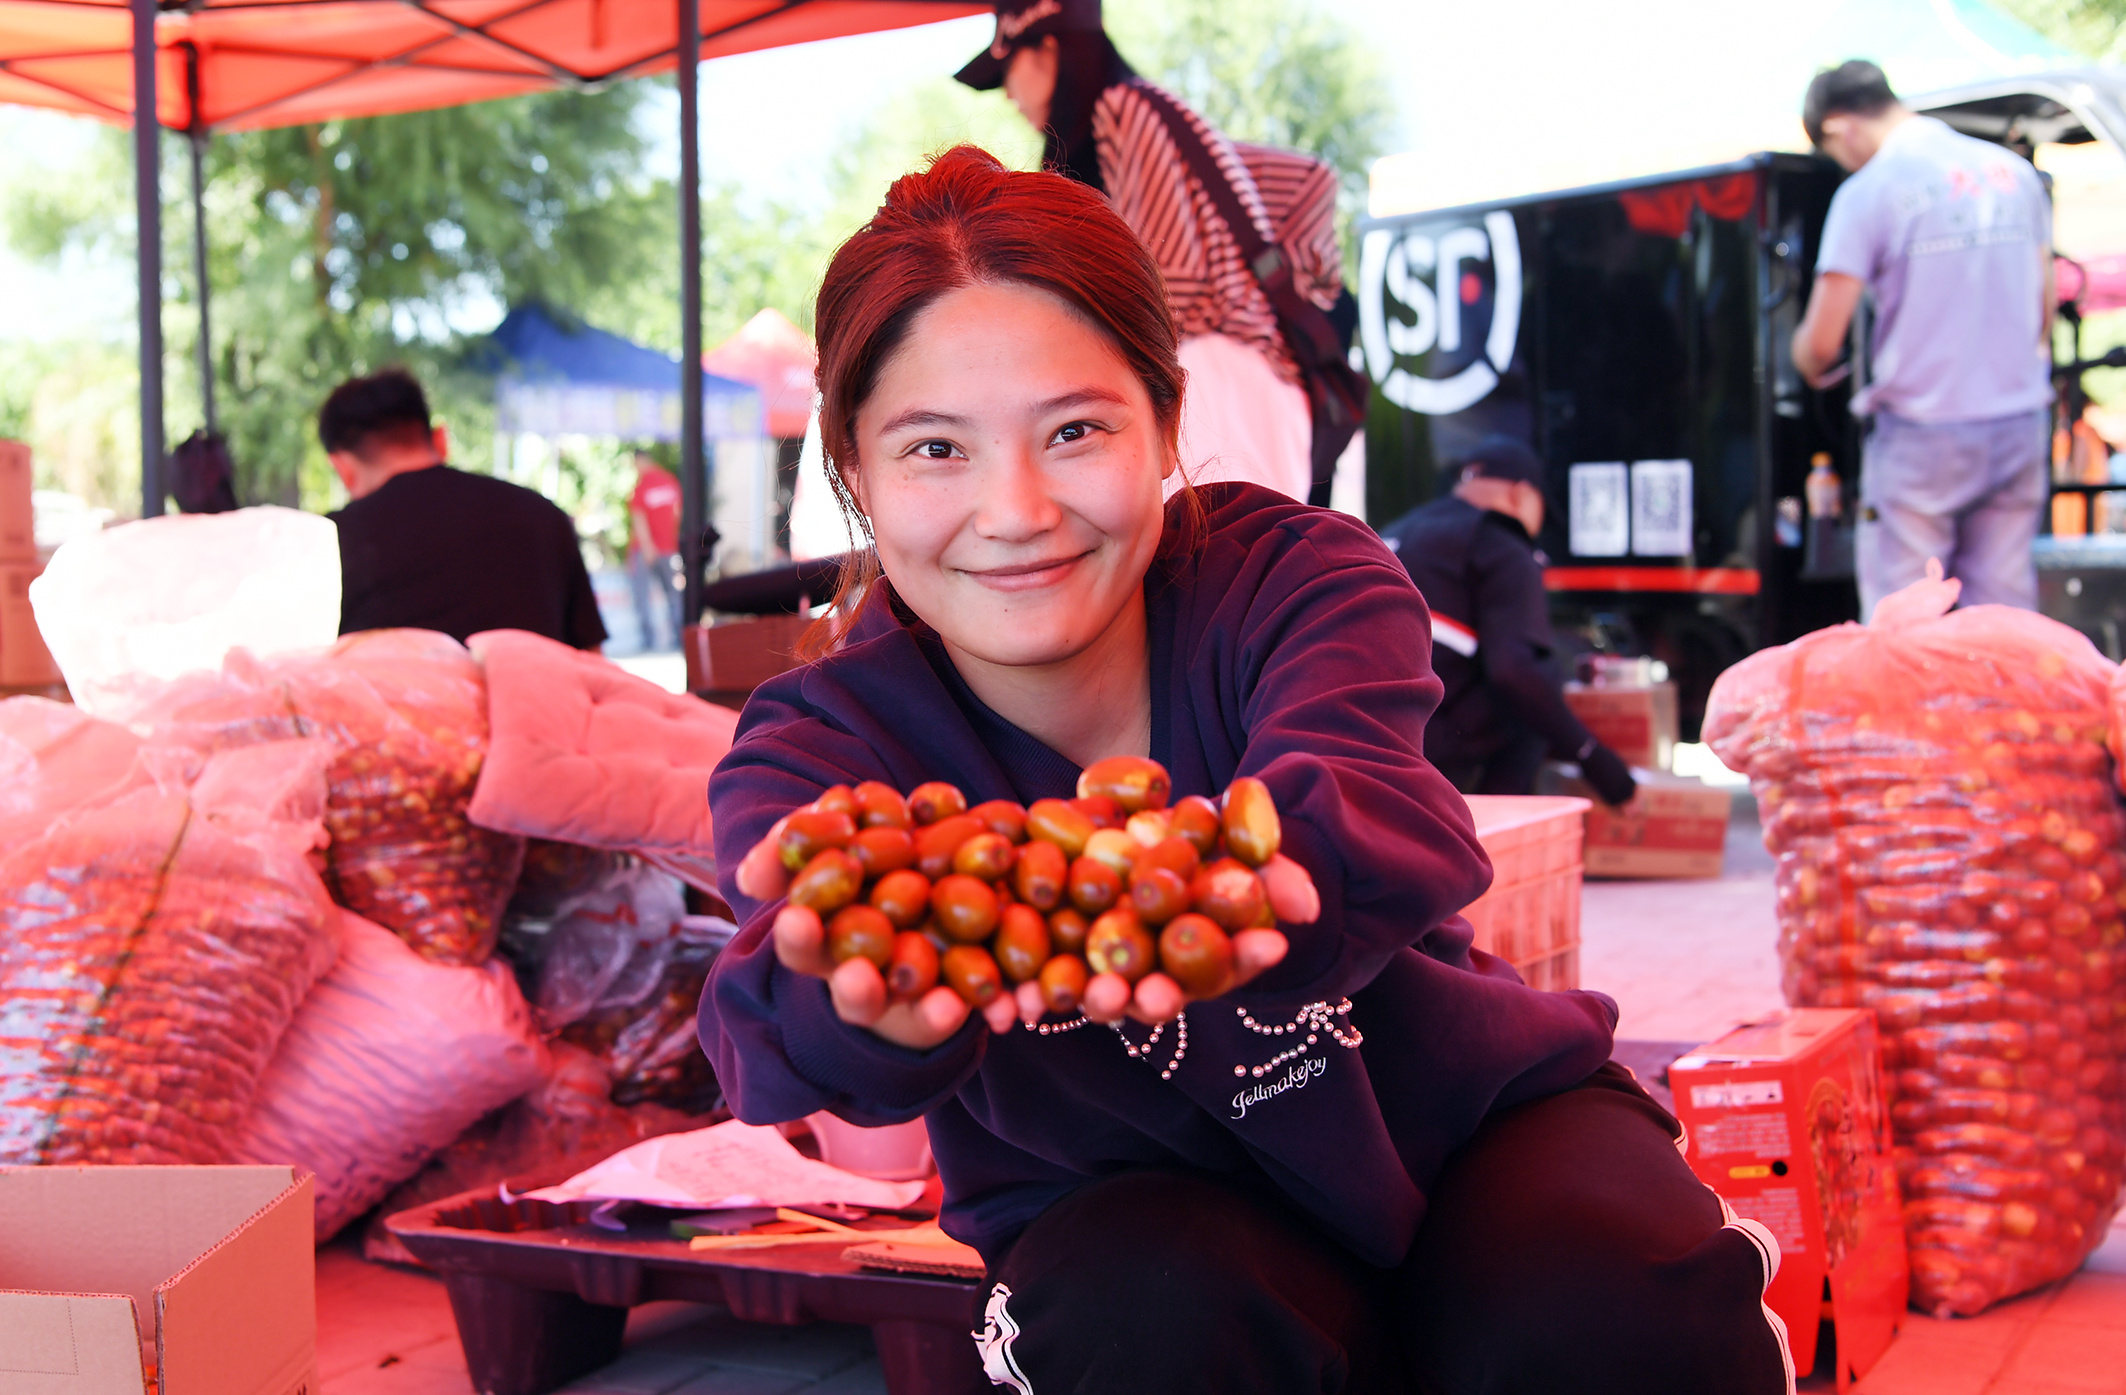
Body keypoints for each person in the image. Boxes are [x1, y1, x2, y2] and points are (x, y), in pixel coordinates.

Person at [698, 148, 1791, 1394]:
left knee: (1603, 1307)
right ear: (855, 469)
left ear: (1163, 422)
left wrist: (1247, 885)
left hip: (1474, 1132)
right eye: (934, 449)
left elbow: (1372, 803)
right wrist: (845, 1002)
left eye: (1073, 429)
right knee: (1153, 1327)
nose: (1013, 510)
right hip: (1134, 1216)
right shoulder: (819, 742)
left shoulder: (1294, 579)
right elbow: (761, 1021)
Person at [955, 0, 1351, 505]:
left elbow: (1167, 276)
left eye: (1007, 72)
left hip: (1216, 378)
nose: (1008, 94)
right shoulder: (1134, 113)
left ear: (1048, 50)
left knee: (1224, 569)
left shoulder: (1125, 108)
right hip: (1228, 377)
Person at [1790, 59, 2054, 618]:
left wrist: (1808, 363)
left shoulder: (1870, 191)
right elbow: (2044, 309)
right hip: (2019, 421)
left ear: (1840, 127)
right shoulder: (2013, 172)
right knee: (2003, 620)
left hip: (1923, 432)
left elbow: (1821, 342)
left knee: (1907, 621)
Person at [1378, 437, 1638, 808]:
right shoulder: (1500, 543)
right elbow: (1517, 670)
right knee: (1530, 707)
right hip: (1419, 738)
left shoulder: (1394, 531)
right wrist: (1595, 759)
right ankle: (1490, 844)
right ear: (1520, 495)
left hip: (1349, 725)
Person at [321, 368, 606, 649]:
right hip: (539, 695)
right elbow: (592, 664)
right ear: (440, 438)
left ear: (342, 467)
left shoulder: (327, 543)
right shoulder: (543, 516)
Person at [628, 450, 683, 650]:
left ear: (640, 460)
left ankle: (649, 639)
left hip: (645, 550)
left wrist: (647, 547)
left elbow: (639, 518)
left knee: (642, 596)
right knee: (673, 595)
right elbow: (678, 513)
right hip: (669, 548)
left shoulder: (642, 486)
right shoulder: (670, 482)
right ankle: (678, 637)